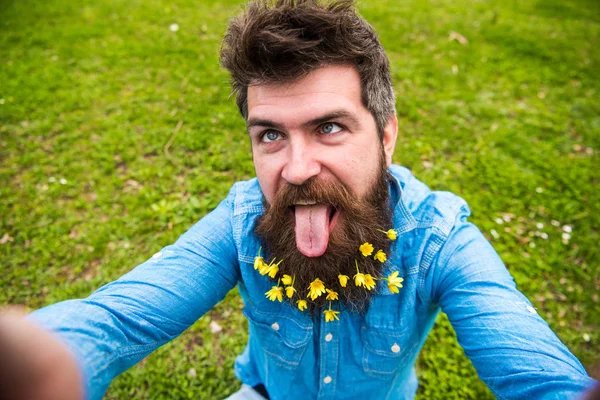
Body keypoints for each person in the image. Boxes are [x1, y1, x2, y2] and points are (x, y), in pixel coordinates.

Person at [0, 1, 596, 399]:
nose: (297, 167)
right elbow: (121, 318)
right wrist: (44, 358)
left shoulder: (439, 241)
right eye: (271, 134)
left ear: (386, 135)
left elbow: (534, 368)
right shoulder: (240, 224)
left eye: (330, 127)